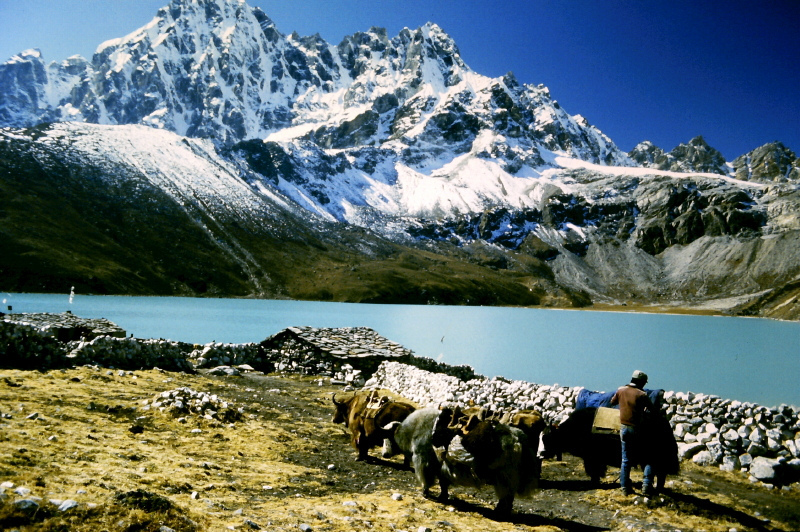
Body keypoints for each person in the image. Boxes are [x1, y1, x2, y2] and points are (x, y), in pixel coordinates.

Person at [610, 369, 655, 496]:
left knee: (626, 460)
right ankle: (646, 485)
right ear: (641, 382)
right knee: (648, 457)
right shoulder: (642, 394)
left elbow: (612, 402)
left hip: (624, 428)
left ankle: (624, 487)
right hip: (637, 429)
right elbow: (652, 409)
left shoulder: (621, 390)